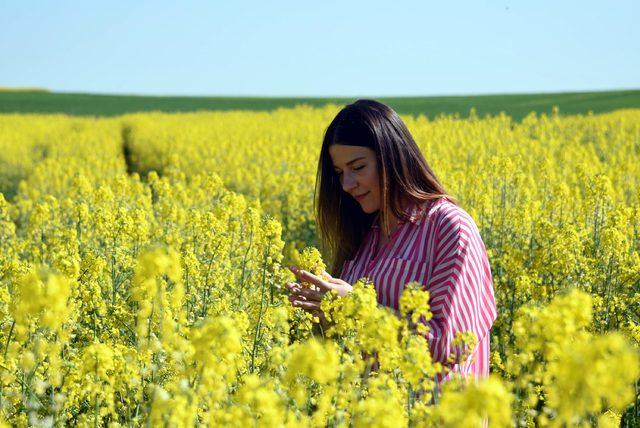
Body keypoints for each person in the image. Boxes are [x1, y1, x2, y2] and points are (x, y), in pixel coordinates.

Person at [286, 99, 497, 391]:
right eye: (338, 173)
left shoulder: (448, 228)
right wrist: (325, 314)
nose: (347, 184)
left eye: (358, 167)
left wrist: (354, 308)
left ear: (393, 158)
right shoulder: (364, 232)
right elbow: (354, 349)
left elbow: (449, 345)